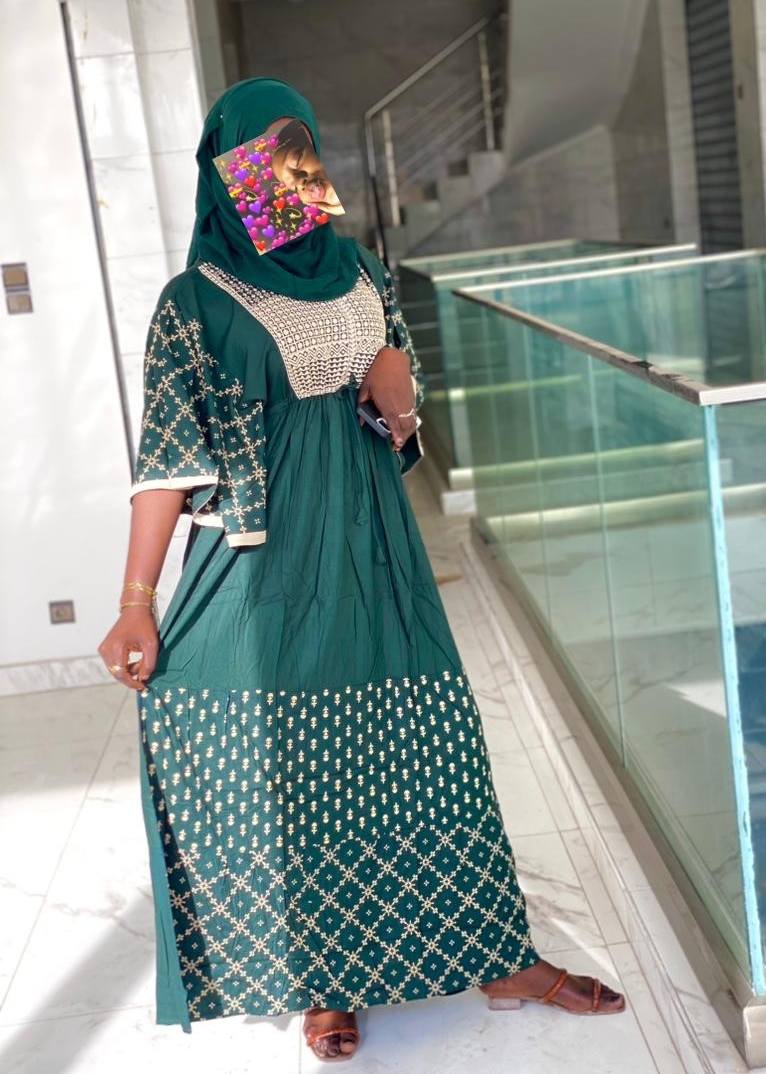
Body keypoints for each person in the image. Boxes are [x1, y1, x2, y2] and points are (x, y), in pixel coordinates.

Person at [97, 77, 625, 1064]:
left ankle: (497, 955)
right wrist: (136, 602)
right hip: (264, 570)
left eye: (295, 150)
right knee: (291, 763)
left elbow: (397, 423)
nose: (282, 174)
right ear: (223, 172)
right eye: (259, 157)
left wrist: (399, 395)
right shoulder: (193, 303)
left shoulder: (362, 274)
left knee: (426, 743)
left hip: (374, 547)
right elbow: (166, 462)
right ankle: (323, 975)